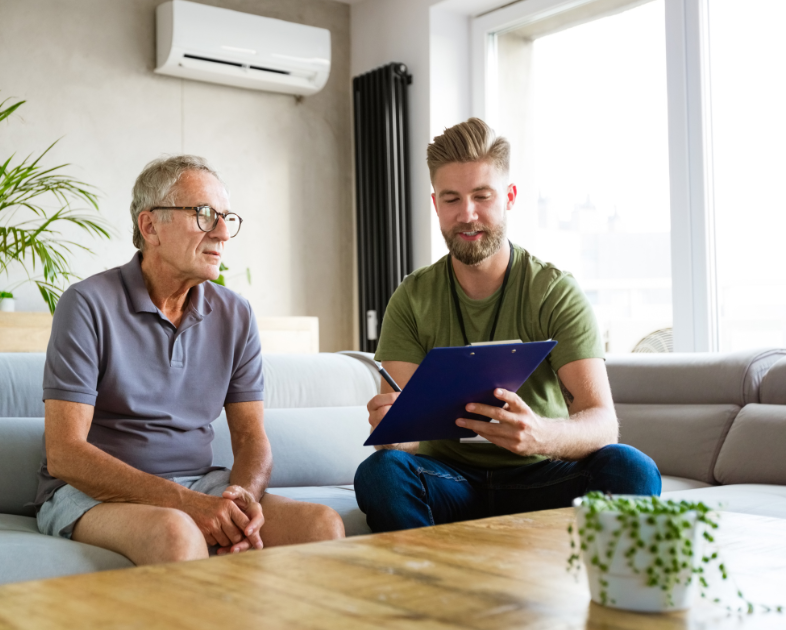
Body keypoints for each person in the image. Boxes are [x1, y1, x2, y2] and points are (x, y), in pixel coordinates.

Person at [354, 118, 661, 532]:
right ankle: (427, 589)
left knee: (632, 468)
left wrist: (539, 435)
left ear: (509, 197)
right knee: (381, 471)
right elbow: (406, 441)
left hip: (543, 474)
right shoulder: (412, 298)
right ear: (436, 205)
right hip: (450, 481)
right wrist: (392, 432)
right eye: (451, 199)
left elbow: (602, 422)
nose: (467, 214)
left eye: (482, 196)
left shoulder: (554, 291)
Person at [35, 155, 345, 565]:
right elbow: (65, 453)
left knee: (322, 525)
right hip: (90, 494)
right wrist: (186, 504)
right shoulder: (87, 304)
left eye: (226, 217)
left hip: (203, 486)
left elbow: (252, 439)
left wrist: (242, 501)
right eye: (203, 215)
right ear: (150, 227)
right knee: (176, 533)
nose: (222, 232)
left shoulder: (237, 314)